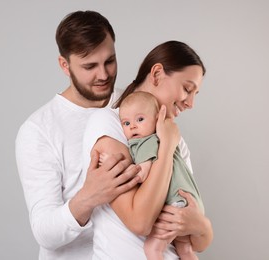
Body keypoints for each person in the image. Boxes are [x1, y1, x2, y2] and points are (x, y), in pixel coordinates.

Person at [15, 10, 142, 260]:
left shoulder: (136, 105)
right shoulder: (38, 129)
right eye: (89, 66)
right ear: (65, 65)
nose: (103, 75)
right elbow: (44, 232)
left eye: (110, 61)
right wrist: (90, 196)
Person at [82, 40, 213, 259]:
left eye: (194, 94)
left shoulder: (176, 140)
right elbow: (140, 221)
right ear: (157, 74)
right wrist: (167, 147)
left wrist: (202, 226)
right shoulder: (110, 125)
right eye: (187, 89)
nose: (190, 103)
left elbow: (198, 242)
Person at [117, 91, 204, 259]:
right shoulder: (167, 140)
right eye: (126, 123)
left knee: (152, 249)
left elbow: (141, 174)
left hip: (174, 204)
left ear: (157, 120)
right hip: (190, 202)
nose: (133, 126)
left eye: (140, 119)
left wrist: (117, 165)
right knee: (185, 249)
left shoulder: (145, 142)